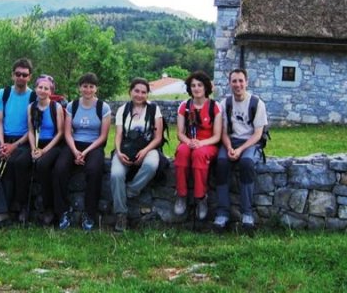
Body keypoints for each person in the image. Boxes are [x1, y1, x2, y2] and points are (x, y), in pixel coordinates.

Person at [53, 73, 111, 231]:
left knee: (93, 170)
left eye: (91, 86)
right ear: (80, 88)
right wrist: (75, 151)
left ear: (96, 89)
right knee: (59, 168)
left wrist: (84, 152)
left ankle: (90, 213)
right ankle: (63, 211)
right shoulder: (72, 106)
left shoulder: (103, 107)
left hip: (94, 144)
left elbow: (103, 136)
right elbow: (67, 133)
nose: (88, 90)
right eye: (85, 86)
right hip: (74, 143)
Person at [214, 68, 268, 230]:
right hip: (231, 141)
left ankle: (247, 213)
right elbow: (223, 132)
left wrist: (241, 149)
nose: (237, 85)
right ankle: (222, 213)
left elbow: (258, 134)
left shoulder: (257, 104)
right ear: (229, 83)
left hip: (250, 142)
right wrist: (230, 147)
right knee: (221, 163)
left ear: (246, 82)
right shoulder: (225, 104)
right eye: (234, 81)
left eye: (240, 81)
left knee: (246, 163)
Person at [0, 58, 35, 229]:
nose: (21, 77)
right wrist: (2, 143)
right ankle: (1, 211)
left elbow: (32, 128)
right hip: (4, 139)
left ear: (30, 77)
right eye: (18, 74)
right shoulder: (3, 93)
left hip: (24, 141)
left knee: (17, 163)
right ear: (13, 75)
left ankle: (20, 206)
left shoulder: (33, 97)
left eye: (24, 75)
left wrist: (14, 146)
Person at [110, 78, 163, 232]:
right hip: (126, 149)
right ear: (130, 91)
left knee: (151, 165)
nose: (140, 95)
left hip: (148, 147)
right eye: (137, 91)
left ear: (147, 94)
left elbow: (158, 138)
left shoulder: (154, 109)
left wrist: (145, 151)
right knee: (116, 174)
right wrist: (118, 152)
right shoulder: (123, 110)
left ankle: (130, 191)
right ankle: (121, 214)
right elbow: (118, 134)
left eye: (143, 92)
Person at [173, 71, 221, 220]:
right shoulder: (184, 106)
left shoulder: (215, 107)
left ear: (206, 87)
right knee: (182, 152)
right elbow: (180, 133)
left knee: (199, 154)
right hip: (189, 141)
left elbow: (217, 136)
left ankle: (201, 198)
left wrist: (201, 143)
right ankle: (181, 195)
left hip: (208, 143)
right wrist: (189, 142)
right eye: (193, 85)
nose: (196, 88)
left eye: (200, 85)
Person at [28, 74, 65, 226]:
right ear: (35, 88)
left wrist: (43, 151)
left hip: (53, 144)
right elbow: (31, 130)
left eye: (46, 88)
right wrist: (33, 149)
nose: (42, 90)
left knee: (42, 165)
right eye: (40, 87)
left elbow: (60, 133)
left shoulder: (56, 107)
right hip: (37, 143)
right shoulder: (31, 107)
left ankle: (49, 208)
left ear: (51, 91)